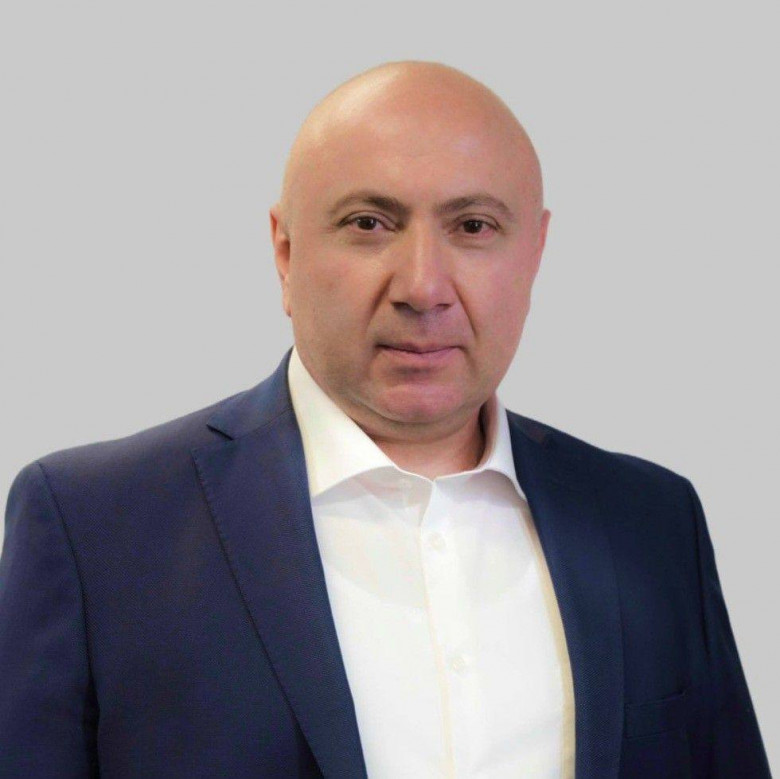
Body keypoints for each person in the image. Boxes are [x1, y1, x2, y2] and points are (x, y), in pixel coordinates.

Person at [0, 60, 770, 778]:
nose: (423, 286)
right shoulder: (93, 526)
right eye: (370, 223)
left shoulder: (652, 521)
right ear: (285, 251)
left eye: (473, 226)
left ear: (534, 252)